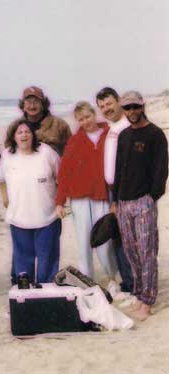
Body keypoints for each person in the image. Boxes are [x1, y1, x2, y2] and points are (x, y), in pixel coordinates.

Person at [111, 91, 168, 321]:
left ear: (142, 106)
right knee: (131, 251)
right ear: (123, 110)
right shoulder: (124, 135)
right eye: (127, 108)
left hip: (144, 200)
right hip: (123, 202)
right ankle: (137, 293)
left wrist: (152, 196)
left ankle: (148, 299)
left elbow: (162, 168)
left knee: (147, 251)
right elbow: (118, 169)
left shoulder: (155, 134)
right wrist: (115, 199)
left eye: (135, 107)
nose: (132, 112)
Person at [55, 101, 118, 285]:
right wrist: (59, 201)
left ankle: (115, 279)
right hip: (79, 200)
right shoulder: (74, 141)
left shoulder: (110, 135)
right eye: (80, 119)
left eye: (88, 116)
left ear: (94, 114)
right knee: (83, 243)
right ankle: (87, 283)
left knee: (105, 243)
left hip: (102, 196)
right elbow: (64, 172)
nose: (85, 121)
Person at [0, 119, 61, 284]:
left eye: (27, 132)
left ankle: (46, 297)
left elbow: (61, 178)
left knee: (47, 262)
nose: (24, 135)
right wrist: (5, 199)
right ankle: (25, 298)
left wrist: (60, 203)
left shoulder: (47, 152)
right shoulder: (8, 155)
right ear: (14, 137)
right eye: (19, 132)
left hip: (48, 218)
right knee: (23, 264)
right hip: (19, 219)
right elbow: (0, 179)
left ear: (33, 135)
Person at [96, 87, 134, 296]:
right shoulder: (111, 128)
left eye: (109, 104)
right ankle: (128, 283)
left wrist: (118, 198)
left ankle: (135, 284)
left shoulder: (128, 127)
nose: (106, 109)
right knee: (118, 238)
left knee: (130, 240)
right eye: (102, 106)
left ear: (119, 101)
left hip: (126, 192)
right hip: (111, 190)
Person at [18, 86, 72, 156]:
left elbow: (72, 152)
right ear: (23, 105)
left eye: (36, 102)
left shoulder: (60, 125)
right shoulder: (15, 128)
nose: (32, 106)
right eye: (28, 102)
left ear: (43, 104)